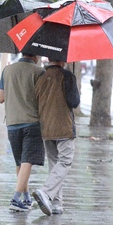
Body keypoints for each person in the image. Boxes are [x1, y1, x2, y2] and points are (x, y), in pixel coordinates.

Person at [32, 57, 80, 216]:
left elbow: (36, 100)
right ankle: (46, 192)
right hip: (63, 126)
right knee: (65, 161)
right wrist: (72, 83)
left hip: (46, 126)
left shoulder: (41, 77)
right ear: (64, 60)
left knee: (54, 163)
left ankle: (56, 203)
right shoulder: (67, 76)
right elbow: (74, 102)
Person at [0, 52, 45, 212]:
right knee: (28, 161)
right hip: (32, 122)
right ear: (36, 55)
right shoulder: (39, 72)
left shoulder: (7, 70)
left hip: (12, 122)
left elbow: (1, 98)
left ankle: (26, 199)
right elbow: (42, 98)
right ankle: (16, 198)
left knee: (20, 162)